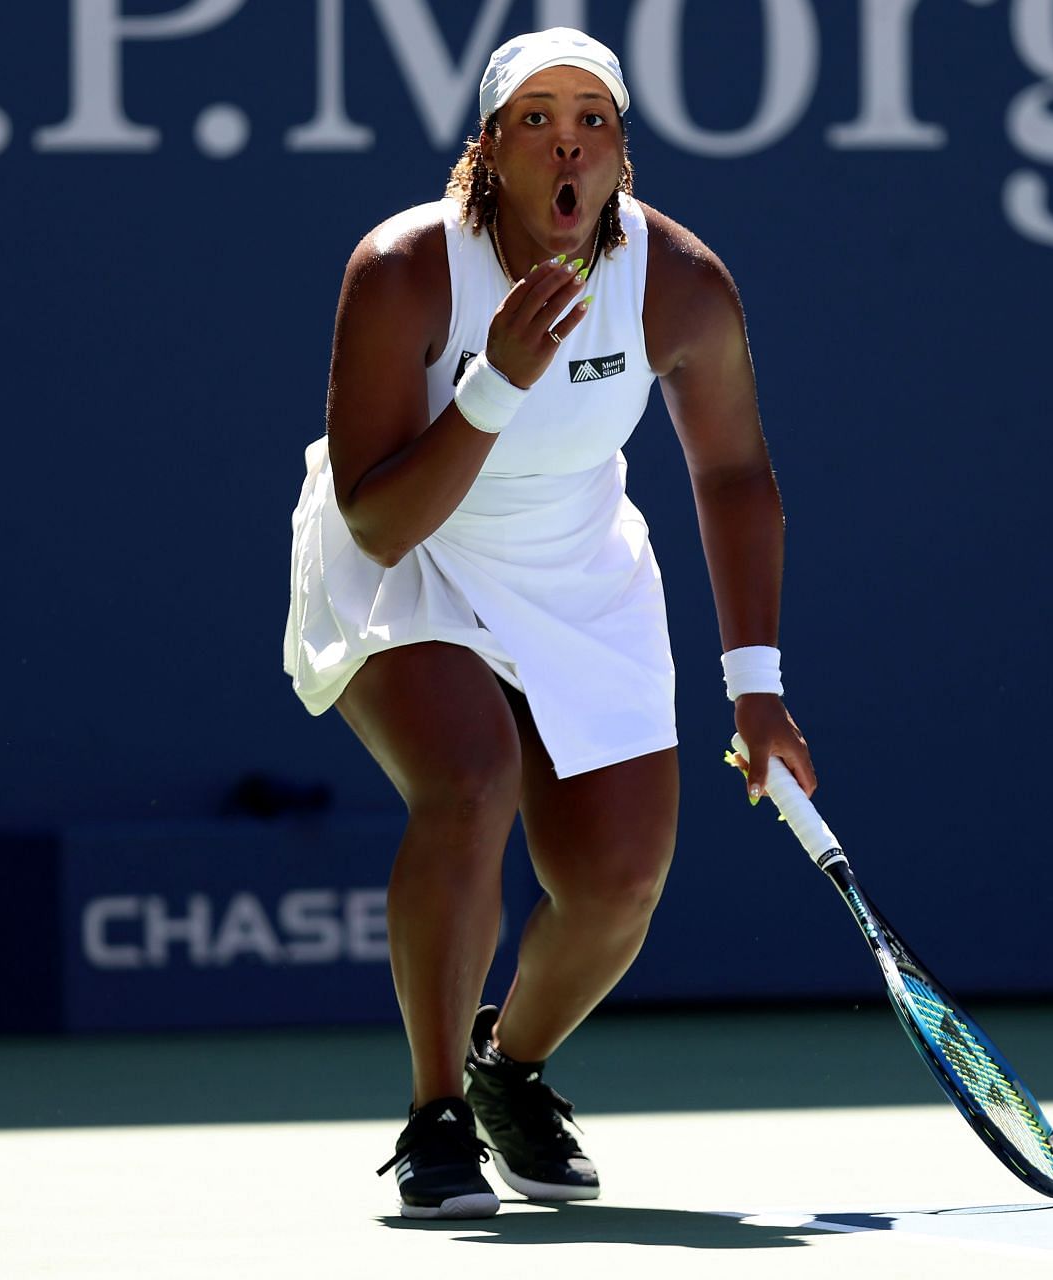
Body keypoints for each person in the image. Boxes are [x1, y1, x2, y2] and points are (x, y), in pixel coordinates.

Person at [283, 27, 818, 1220]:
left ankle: (507, 1067)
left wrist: (757, 684)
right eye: (537, 120)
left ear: (621, 154)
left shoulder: (679, 282)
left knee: (619, 880)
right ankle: (432, 1119)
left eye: (593, 121)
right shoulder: (406, 269)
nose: (567, 143)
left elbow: (733, 476)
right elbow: (376, 522)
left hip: (580, 567)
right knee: (471, 779)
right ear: (489, 148)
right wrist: (494, 382)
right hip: (412, 549)